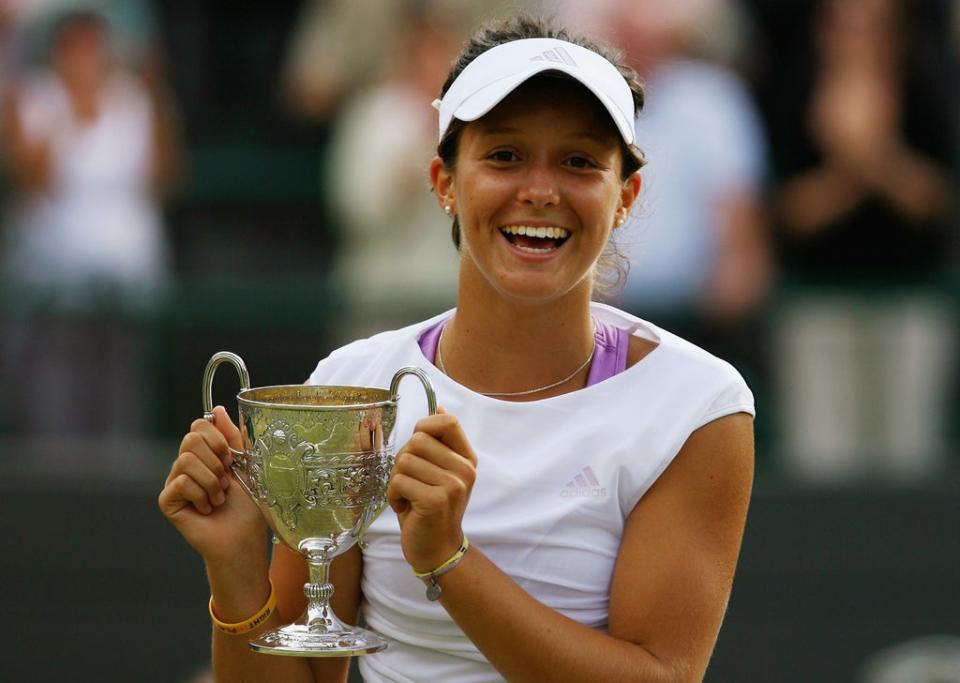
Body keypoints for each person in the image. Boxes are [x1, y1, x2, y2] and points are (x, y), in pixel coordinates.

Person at [159, 15, 755, 683]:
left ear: (626, 196)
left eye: (580, 161)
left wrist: (448, 561)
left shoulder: (698, 405)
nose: (540, 189)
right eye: (504, 155)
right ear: (445, 181)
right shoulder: (353, 381)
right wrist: (236, 568)